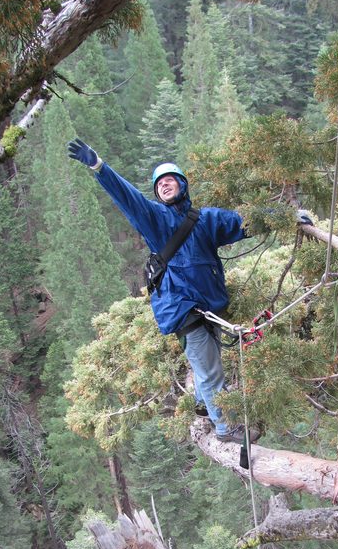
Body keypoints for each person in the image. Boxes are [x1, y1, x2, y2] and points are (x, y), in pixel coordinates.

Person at [67, 138, 260, 444]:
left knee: (208, 366)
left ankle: (202, 404)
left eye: (171, 181)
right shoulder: (154, 218)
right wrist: (99, 167)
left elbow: (243, 222)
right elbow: (127, 198)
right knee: (211, 372)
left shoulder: (207, 220)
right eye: (160, 184)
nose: (165, 186)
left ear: (183, 186)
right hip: (184, 308)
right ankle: (226, 429)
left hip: (209, 306)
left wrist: (285, 218)